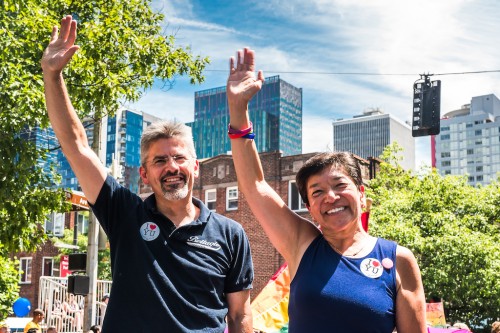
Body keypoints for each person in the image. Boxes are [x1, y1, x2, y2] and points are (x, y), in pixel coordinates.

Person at [41, 15, 254, 332]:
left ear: (195, 166)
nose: (171, 167)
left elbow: (239, 316)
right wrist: (52, 74)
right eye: (159, 161)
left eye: (179, 158)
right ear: (143, 174)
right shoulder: (124, 213)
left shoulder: (230, 234)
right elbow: (77, 146)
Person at [226, 47, 427, 333]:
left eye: (339, 185)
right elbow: (255, 185)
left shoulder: (398, 260)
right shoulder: (302, 244)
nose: (330, 197)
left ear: (361, 194)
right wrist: (238, 110)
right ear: (309, 208)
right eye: (317, 192)